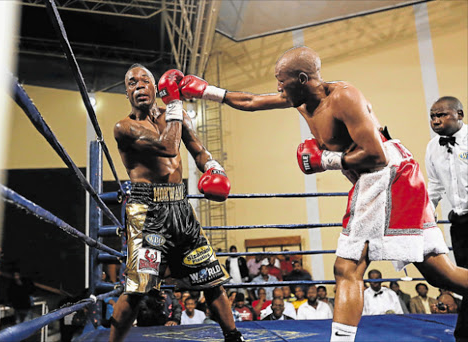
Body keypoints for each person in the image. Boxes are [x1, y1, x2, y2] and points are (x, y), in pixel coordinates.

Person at [178, 46, 468, 341]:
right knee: (438, 274)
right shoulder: (298, 99)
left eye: (282, 80)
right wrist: (206, 91)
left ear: (302, 78)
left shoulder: (343, 97)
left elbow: (377, 156)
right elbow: (252, 100)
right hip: (396, 176)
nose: (278, 87)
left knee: (347, 267)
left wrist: (326, 160)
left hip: (386, 173)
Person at [109, 65, 244, 342]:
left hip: (179, 206)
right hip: (146, 211)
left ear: (154, 87)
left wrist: (214, 168)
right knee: (137, 289)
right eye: (132, 83)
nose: (138, 86)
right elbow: (168, 146)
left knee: (211, 278)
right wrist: (174, 102)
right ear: (127, 92)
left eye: (144, 81)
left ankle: (233, 336)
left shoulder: (176, 116)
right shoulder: (125, 127)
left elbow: (197, 150)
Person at [425, 96, 467, 340]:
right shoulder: (433, 147)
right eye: (432, 116)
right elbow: (434, 187)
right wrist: (424, 218)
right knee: (463, 280)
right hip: (459, 224)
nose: (436, 120)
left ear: (459, 115)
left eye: (442, 115)